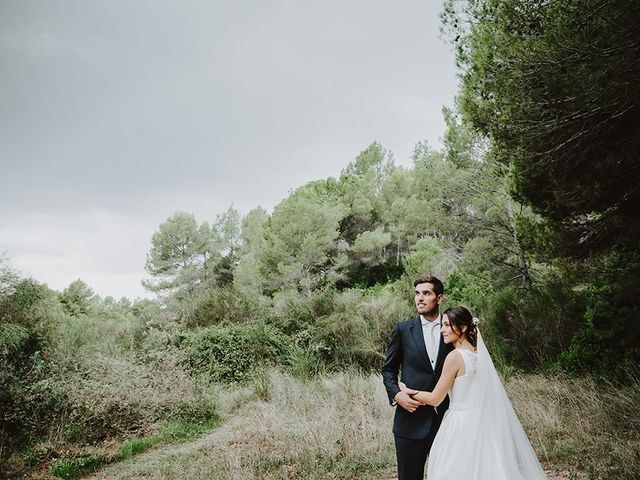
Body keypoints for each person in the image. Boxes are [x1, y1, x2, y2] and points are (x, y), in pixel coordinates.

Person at [401, 306, 547, 479]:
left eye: (447, 325)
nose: (442, 330)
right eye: (443, 325)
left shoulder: (455, 357)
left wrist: (407, 390)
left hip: (460, 425)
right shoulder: (480, 356)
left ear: (462, 328)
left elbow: (434, 399)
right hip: (484, 423)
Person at [381, 275, 454, 480]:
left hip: (447, 420)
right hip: (409, 421)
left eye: (426, 293)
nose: (419, 298)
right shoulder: (403, 330)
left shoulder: (452, 329)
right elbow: (388, 370)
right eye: (417, 294)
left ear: (439, 298)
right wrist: (397, 395)